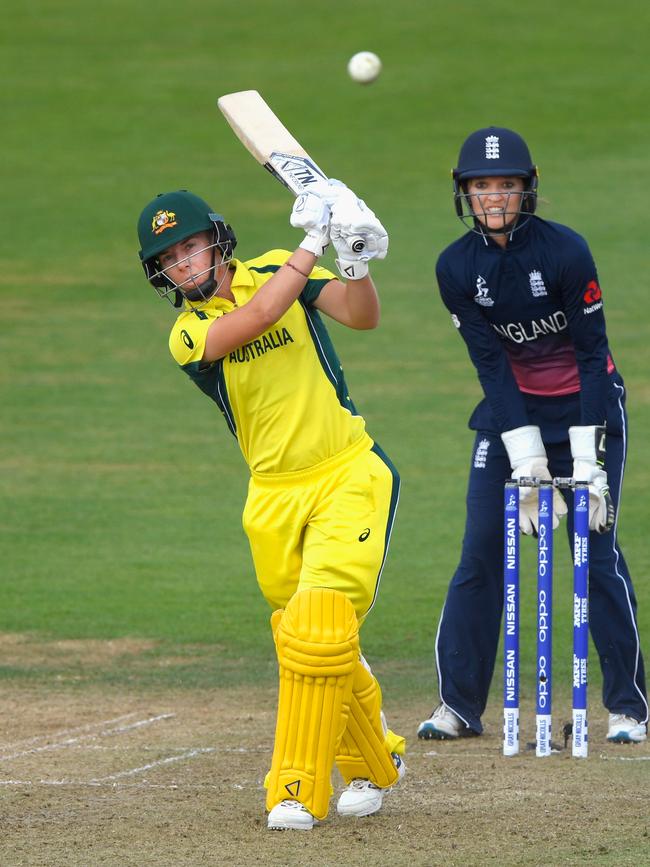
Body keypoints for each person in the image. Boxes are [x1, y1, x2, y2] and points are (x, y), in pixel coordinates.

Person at [137, 183, 405, 831]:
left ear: (217, 239)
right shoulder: (187, 333)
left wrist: (355, 258)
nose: (184, 264)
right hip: (272, 498)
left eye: (191, 246)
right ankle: (372, 761)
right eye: (170, 258)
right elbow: (254, 319)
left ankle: (293, 788)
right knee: (304, 641)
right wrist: (315, 241)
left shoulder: (278, 265)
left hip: (346, 472)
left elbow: (360, 314)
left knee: (320, 626)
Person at [417, 127, 648, 745]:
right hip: (510, 412)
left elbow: (593, 352)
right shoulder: (455, 267)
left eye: (506, 185)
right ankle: (459, 706)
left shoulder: (567, 252)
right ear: (465, 192)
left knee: (594, 550)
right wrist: (523, 456)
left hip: (587, 406)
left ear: (527, 189)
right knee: (481, 549)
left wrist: (585, 461)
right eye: (482, 185)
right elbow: (491, 365)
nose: (494, 196)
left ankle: (627, 707)